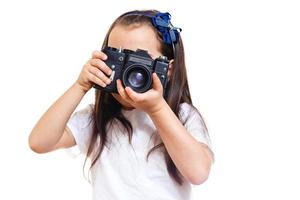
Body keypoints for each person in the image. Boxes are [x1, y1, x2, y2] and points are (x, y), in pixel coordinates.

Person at [29, 9, 214, 200]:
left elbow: (198, 173)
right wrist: (80, 86)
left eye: (142, 61)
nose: (131, 73)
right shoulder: (99, 118)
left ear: (168, 69)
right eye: (121, 58)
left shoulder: (182, 115)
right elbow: (39, 142)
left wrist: (157, 108)